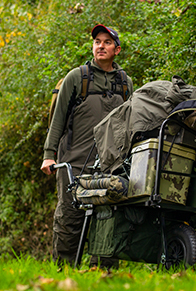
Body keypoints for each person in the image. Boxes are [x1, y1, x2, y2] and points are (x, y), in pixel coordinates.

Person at [41, 24, 134, 268]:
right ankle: (62, 272)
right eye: (97, 42)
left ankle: (103, 275)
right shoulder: (76, 77)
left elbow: (129, 125)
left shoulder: (125, 83)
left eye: (106, 42)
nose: (100, 46)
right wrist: (48, 156)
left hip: (110, 166)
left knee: (109, 220)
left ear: (117, 49)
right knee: (69, 220)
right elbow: (58, 120)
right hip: (74, 162)